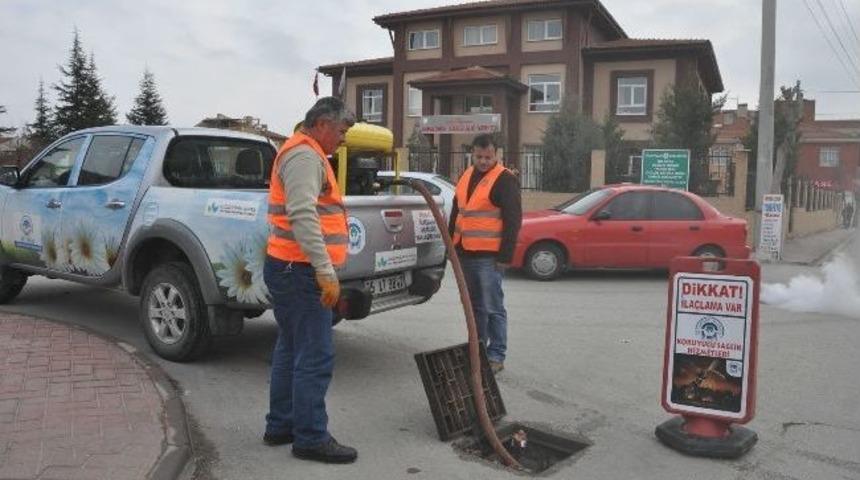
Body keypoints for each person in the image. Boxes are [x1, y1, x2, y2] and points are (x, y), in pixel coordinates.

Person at [262, 96, 357, 464]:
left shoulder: (304, 150)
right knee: (315, 354)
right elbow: (302, 215)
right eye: (341, 130)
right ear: (322, 125)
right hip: (301, 272)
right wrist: (324, 269)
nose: (344, 138)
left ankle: (281, 425)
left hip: (290, 268)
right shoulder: (304, 155)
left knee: (291, 348)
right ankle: (311, 437)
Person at [449, 134, 522, 374]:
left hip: (489, 257)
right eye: (479, 156)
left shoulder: (505, 180)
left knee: (492, 307)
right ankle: (477, 350)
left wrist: (504, 258)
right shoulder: (466, 175)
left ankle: (496, 355)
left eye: (487, 157)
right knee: (475, 307)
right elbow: (457, 212)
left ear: (496, 154)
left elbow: (513, 221)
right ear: (472, 154)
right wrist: (451, 245)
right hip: (464, 252)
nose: (482, 161)